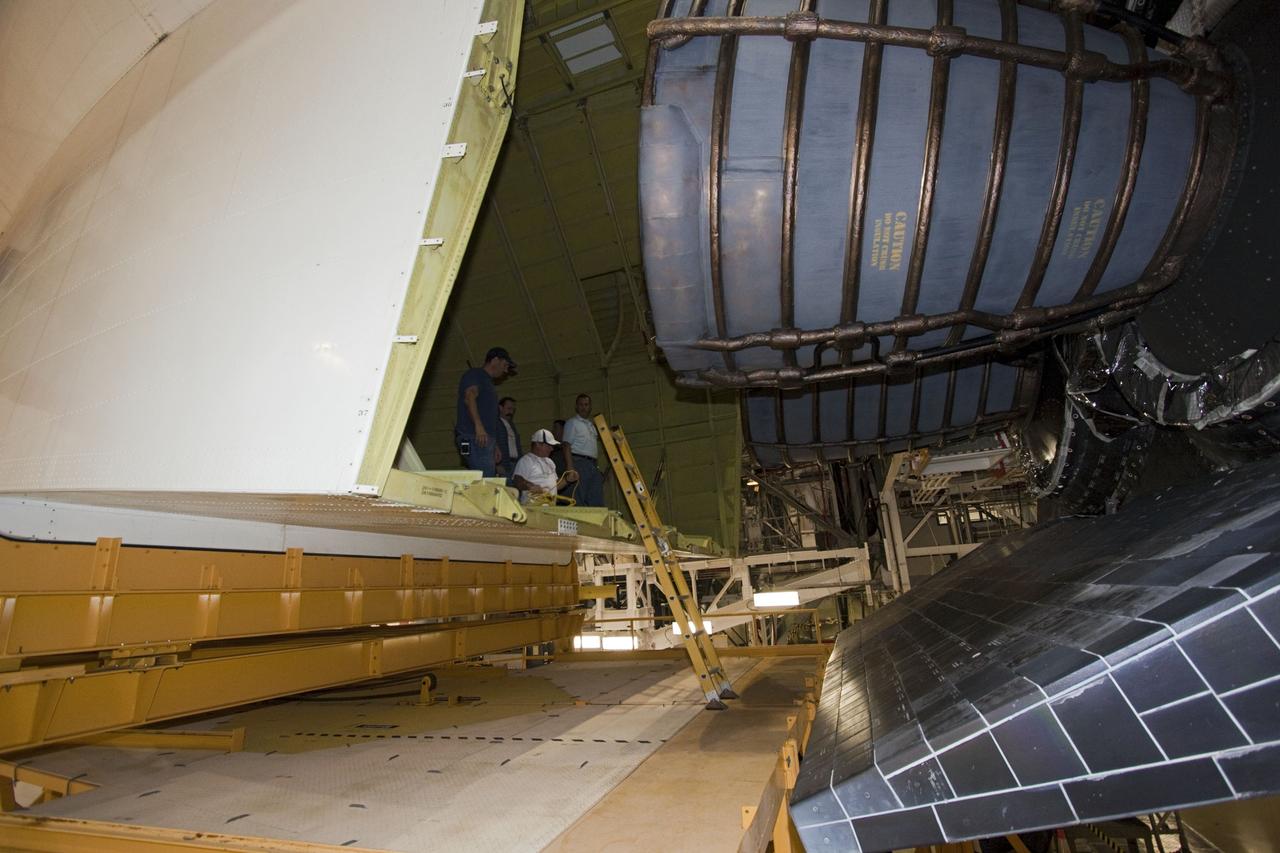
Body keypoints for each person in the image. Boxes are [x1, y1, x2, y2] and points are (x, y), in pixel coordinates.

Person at [454, 347, 515, 477]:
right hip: (473, 437)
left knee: (485, 476)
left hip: (483, 440)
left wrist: (495, 445)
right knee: (486, 479)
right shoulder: (475, 374)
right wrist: (478, 426)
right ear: (495, 360)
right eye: (505, 365)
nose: (505, 370)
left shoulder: (488, 383)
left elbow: (489, 418)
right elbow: (469, 397)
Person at [512, 428, 578, 503]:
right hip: (533, 508)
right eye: (549, 446)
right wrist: (529, 486)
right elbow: (517, 480)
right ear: (538, 444)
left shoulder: (550, 462)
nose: (551, 449)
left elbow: (555, 486)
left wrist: (567, 480)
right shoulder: (526, 460)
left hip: (550, 507)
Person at [562, 393, 605, 507]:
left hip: (593, 464)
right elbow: (566, 445)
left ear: (590, 407)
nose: (583, 407)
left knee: (595, 496)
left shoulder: (591, 425)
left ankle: (597, 522)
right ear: (576, 407)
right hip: (579, 463)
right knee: (579, 497)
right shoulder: (572, 423)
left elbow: (603, 436)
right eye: (580, 404)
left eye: (586, 404)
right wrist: (570, 468)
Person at [496, 397, 521, 479]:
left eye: (513, 409)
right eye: (509, 409)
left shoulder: (511, 425)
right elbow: (492, 445)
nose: (511, 412)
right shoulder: (495, 424)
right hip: (504, 465)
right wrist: (497, 465)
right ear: (500, 408)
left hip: (515, 464)